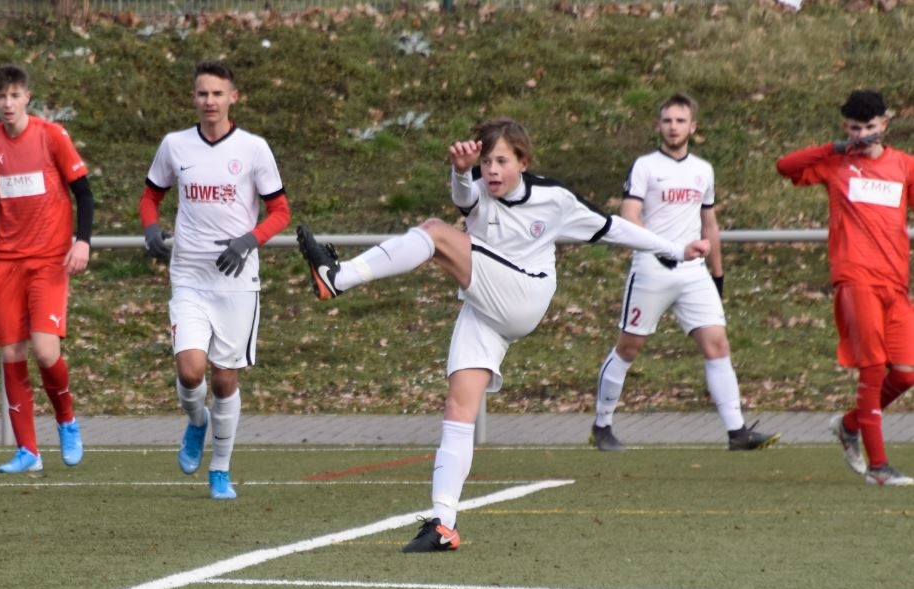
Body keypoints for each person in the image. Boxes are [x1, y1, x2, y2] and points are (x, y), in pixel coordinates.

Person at [297, 118, 708, 552]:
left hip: (526, 292)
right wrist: (460, 170)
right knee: (459, 405)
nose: (491, 169)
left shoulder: (555, 199)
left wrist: (675, 249)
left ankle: (337, 277)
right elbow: (464, 199)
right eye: (486, 160)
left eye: (501, 161)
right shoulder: (476, 185)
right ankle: (443, 523)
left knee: (436, 232)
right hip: (486, 305)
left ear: (523, 163)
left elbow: (614, 228)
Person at [589, 94, 777, 452]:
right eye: (667, 121)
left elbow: (709, 221)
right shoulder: (645, 166)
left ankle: (737, 431)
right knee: (629, 348)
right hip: (651, 269)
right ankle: (602, 425)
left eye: (680, 121)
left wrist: (717, 274)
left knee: (717, 344)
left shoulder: (702, 170)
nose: (673, 127)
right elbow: (630, 215)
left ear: (693, 126)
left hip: (694, 272)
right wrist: (661, 248)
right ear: (659, 125)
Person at [139, 60, 290, 500]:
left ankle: (220, 469)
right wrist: (151, 227)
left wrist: (248, 240)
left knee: (225, 381)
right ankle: (196, 422)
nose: (210, 101)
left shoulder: (254, 149)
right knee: (191, 372)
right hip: (189, 274)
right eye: (202, 94)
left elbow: (280, 211)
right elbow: (151, 195)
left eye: (218, 94)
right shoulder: (175, 145)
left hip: (237, 282)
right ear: (194, 98)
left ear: (233, 97)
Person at [778, 89, 914, 486]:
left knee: (905, 374)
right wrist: (833, 147)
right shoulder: (836, 162)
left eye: (870, 127)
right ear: (845, 128)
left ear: (884, 125)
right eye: (855, 128)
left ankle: (849, 424)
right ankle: (879, 468)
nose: (863, 135)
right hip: (855, 280)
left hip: (895, 284)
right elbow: (785, 166)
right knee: (872, 369)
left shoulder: (903, 166)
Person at [0, 65, 93, 473]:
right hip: (6, 262)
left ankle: (67, 420)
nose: (7, 103)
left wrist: (83, 240)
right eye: (0, 96)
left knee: (44, 349)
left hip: (49, 260)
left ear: (27, 97)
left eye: (14, 96)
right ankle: (29, 451)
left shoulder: (51, 136)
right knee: (11, 351)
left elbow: (83, 192)